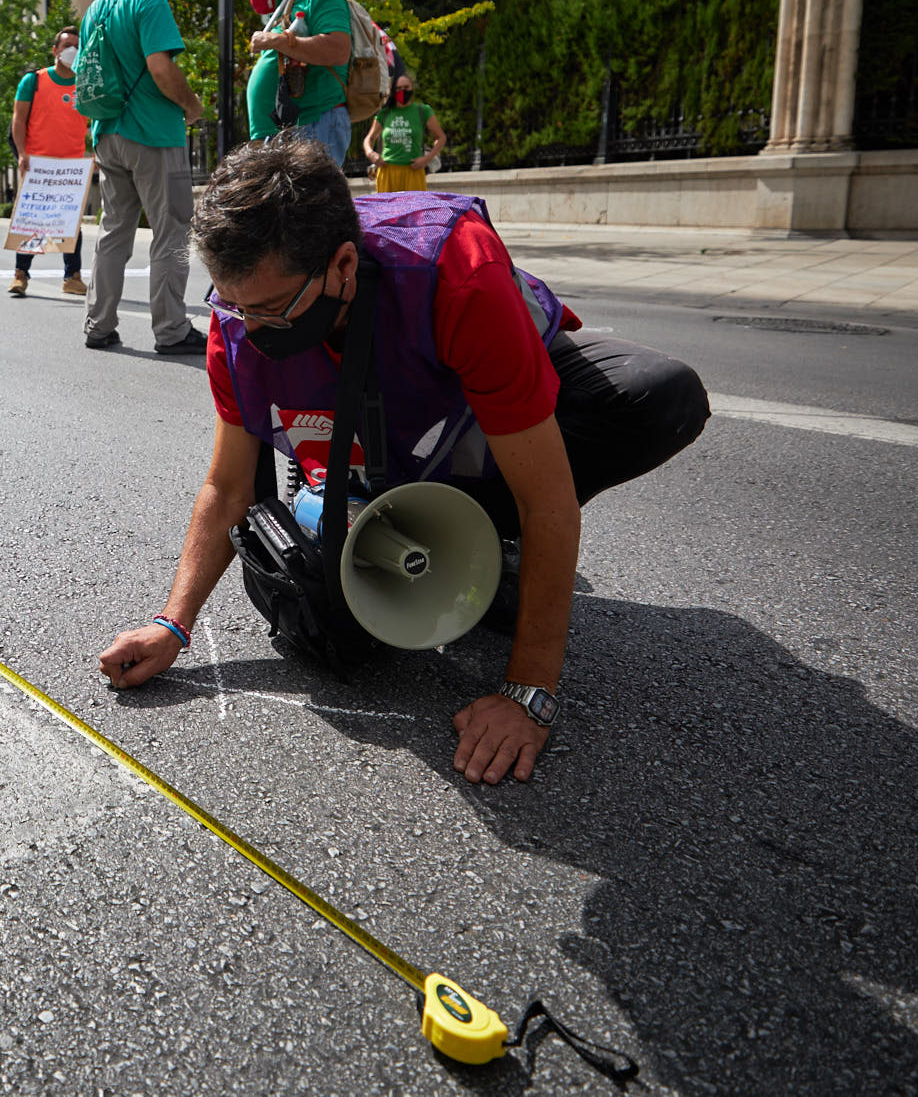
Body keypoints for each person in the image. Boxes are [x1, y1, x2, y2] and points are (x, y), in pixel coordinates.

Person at [96, 137, 710, 786]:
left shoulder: (456, 273)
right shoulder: (238, 316)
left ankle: (476, 529)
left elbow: (547, 496)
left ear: (342, 265)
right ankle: (375, 494)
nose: (251, 327)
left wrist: (529, 691)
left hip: (470, 411)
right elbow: (228, 486)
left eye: (273, 309)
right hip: (383, 444)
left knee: (659, 395)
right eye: (235, 305)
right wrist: (172, 624)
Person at [80, 0, 207, 354]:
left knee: (114, 231)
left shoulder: (95, 7)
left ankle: (98, 325)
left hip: (108, 133)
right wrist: (191, 105)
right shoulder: (149, 1)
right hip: (153, 133)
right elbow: (161, 69)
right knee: (172, 230)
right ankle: (171, 330)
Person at [239, 0, 355, 170]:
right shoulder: (288, 4)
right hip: (291, 130)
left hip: (315, 124)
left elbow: (339, 49)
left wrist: (278, 41)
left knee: (313, 205)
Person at [8, 25, 89, 297]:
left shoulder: (86, 83)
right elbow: (18, 120)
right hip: (39, 164)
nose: (72, 51)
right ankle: (21, 274)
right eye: (67, 46)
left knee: (70, 224)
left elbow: (96, 120)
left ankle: (72, 277)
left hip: (72, 167)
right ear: (55, 50)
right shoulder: (34, 81)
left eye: (77, 46)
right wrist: (22, 153)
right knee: (33, 222)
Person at [364, 74, 446, 193]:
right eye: (398, 88)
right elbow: (369, 139)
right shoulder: (385, 113)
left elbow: (441, 137)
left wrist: (426, 159)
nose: (402, 91)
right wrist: (371, 154)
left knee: (415, 210)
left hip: (413, 171)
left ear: (412, 88)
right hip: (387, 172)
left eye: (406, 87)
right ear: (393, 91)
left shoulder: (423, 110)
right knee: (388, 211)